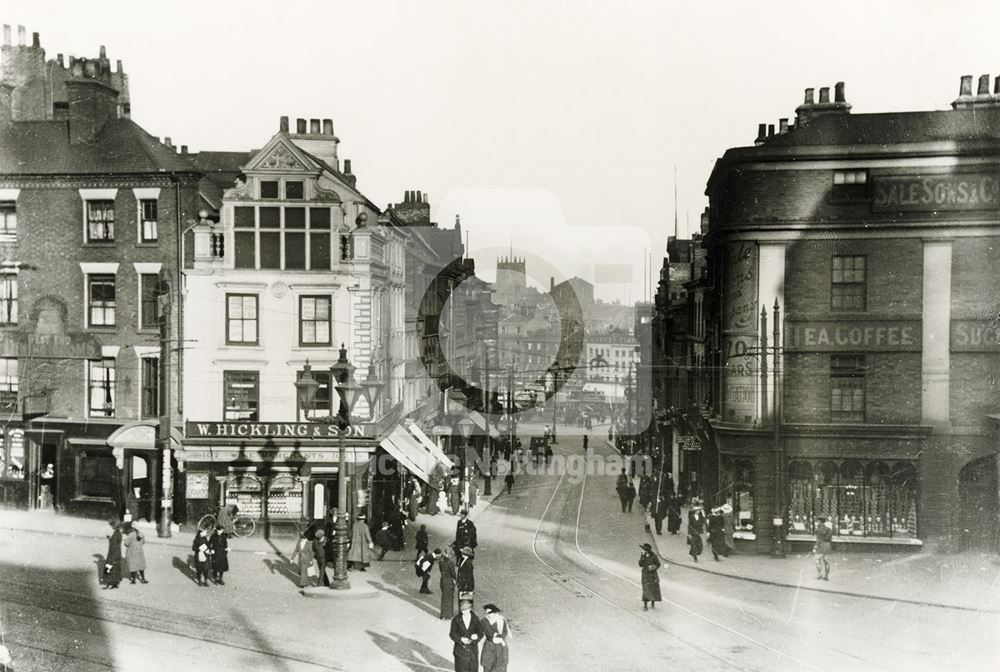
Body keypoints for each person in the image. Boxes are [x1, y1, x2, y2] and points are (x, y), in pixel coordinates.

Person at [450, 596, 484, 672]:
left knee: (473, 669)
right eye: (462, 610)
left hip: (472, 651)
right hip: (460, 650)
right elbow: (452, 634)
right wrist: (461, 639)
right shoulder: (456, 619)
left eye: (466, 610)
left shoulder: (475, 618)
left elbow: (480, 632)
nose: (464, 612)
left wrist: (476, 637)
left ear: (470, 609)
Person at [480, 603, 511, 672]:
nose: (488, 615)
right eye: (487, 613)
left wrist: (500, 638)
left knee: (500, 666)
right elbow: (479, 631)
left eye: (490, 613)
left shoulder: (501, 620)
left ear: (494, 612)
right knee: (488, 666)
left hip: (500, 647)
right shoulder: (484, 621)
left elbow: (505, 632)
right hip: (488, 646)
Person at [638, 543, 661, 611]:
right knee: (645, 589)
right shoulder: (643, 556)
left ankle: (653, 602)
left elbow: (658, 564)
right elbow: (640, 564)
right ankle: (645, 606)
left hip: (652, 575)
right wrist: (642, 557)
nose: (642, 550)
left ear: (647, 550)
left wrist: (653, 567)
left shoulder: (654, 556)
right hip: (645, 575)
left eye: (644, 549)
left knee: (653, 589)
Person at [103, 519, 123, 589]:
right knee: (116, 568)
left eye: (112, 526)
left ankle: (109, 583)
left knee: (109, 567)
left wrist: (110, 540)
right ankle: (116, 583)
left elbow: (113, 545)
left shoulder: (115, 534)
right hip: (117, 553)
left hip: (113, 554)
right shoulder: (119, 533)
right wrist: (110, 539)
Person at [439, 547, 458, 619]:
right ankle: (449, 615)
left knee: (444, 598)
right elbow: (453, 573)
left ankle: (443, 615)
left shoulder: (441, 562)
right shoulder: (450, 563)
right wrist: (456, 579)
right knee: (450, 598)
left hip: (443, 580)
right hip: (449, 581)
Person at [814, 516, 833, 580]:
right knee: (826, 562)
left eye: (818, 521)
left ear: (820, 521)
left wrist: (815, 547)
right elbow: (830, 539)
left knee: (817, 560)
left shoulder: (818, 530)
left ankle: (820, 575)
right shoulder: (829, 529)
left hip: (821, 546)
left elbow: (818, 540)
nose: (817, 522)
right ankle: (826, 576)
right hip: (828, 546)